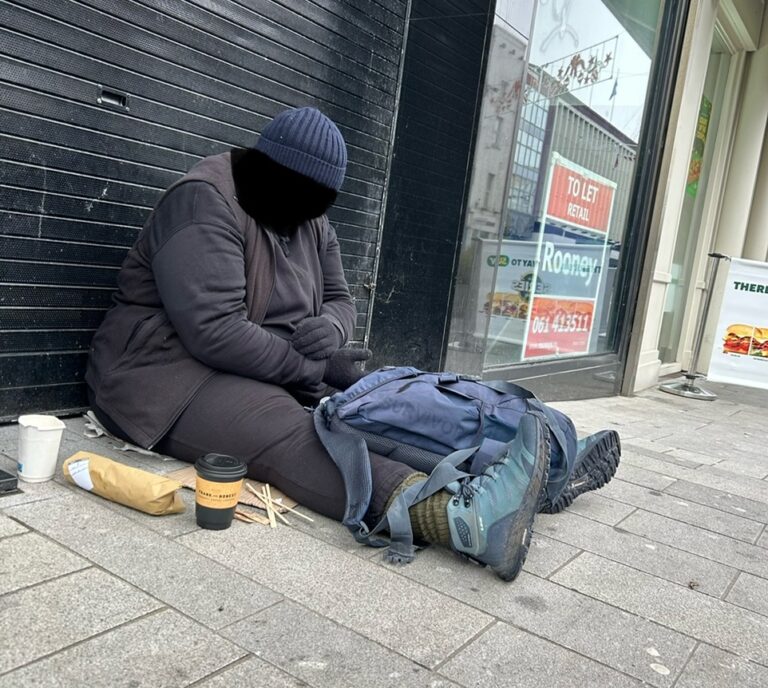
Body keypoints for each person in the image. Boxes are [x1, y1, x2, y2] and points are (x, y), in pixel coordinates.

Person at [86, 106, 591, 581]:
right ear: (270, 171)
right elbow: (214, 331)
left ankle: (523, 460)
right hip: (168, 375)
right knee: (292, 431)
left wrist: (332, 329)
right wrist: (313, 368)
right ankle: (457, 514)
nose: (309, 213)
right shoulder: (202, 202)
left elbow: (341, 298)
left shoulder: (311, 218)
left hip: (275, 361)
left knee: (387, 396)